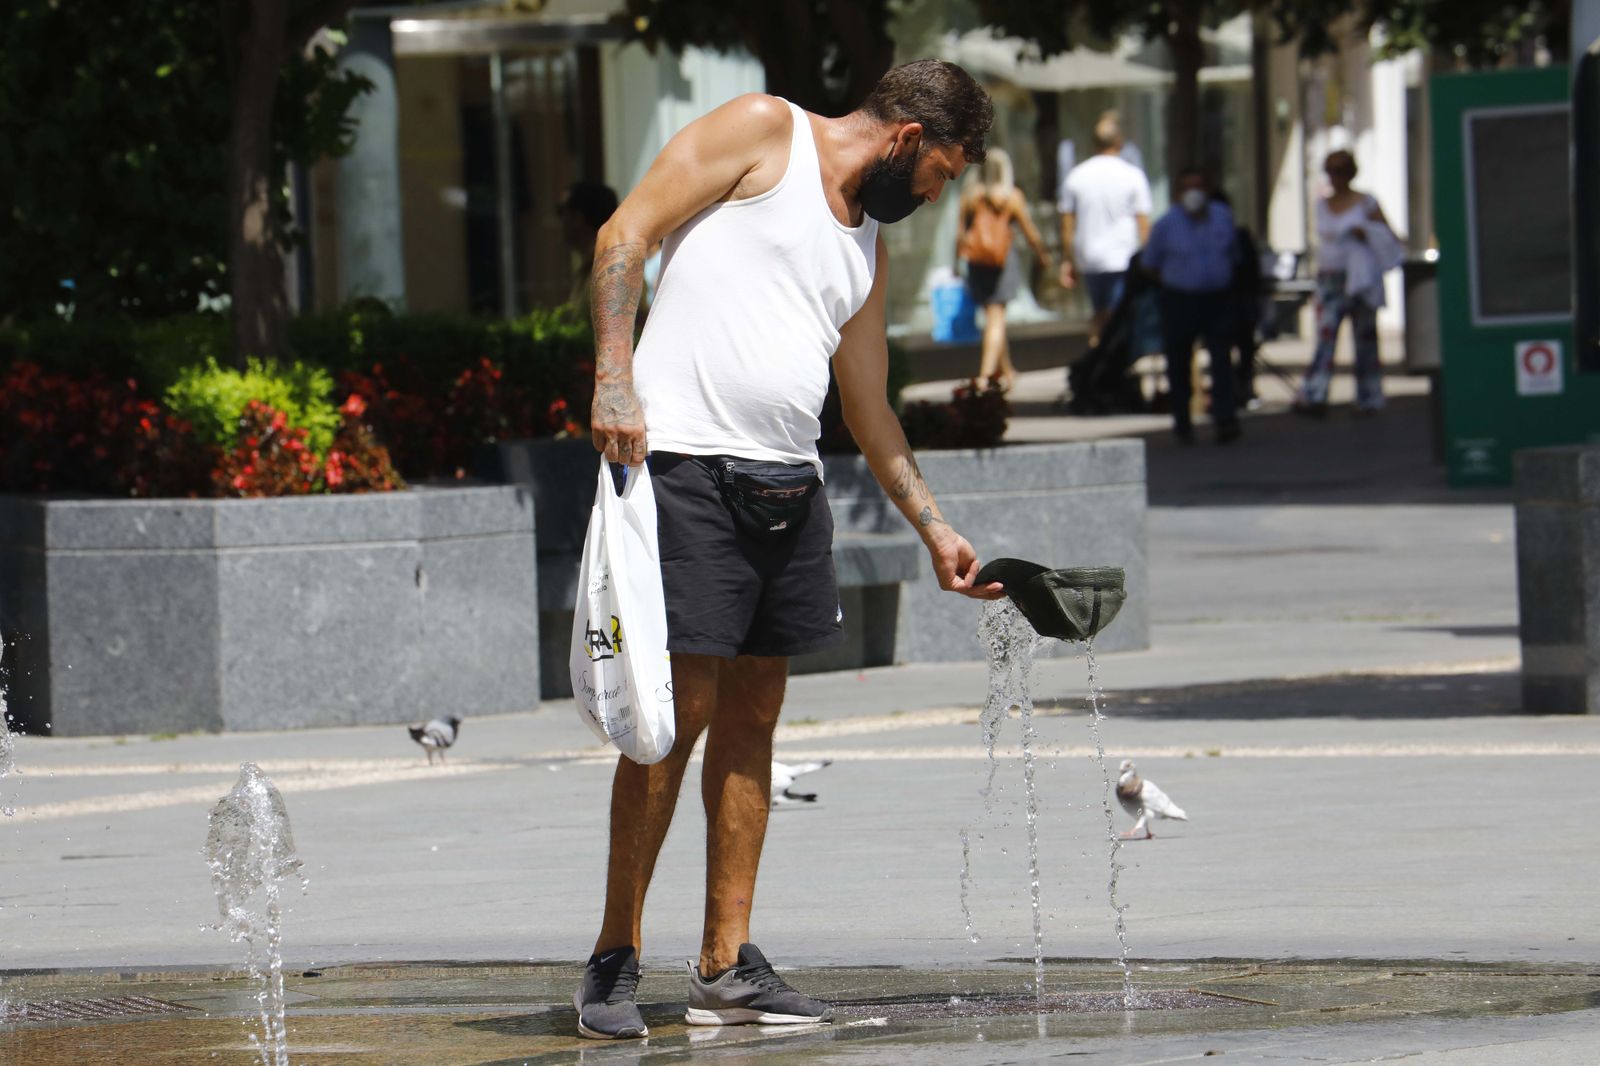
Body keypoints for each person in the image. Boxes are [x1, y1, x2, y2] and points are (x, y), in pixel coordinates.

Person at [578, 60, 1004, 1041]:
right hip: (682, 462)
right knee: (672, 715)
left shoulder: (866, 248)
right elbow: (622, 232)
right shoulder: (764, 130)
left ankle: (725, 959)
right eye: (940, 172)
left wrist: (935, 529)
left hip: (787, 485)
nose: (937, 195)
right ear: (903, 138)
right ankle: (612, 957)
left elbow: (866, 406)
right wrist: (613, 379)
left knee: (755, 715)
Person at [1294, 149, 1402, 417]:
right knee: (1325, 337)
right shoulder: (1321, 204)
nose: (1335, 177)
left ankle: (1369, 396)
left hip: (1359, 278)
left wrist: (1364, 232)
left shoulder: (1366, 202)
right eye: (1331, 171)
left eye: (1341, 171)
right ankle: (1315, 393)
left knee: (1365, 338)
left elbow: (1389, 236)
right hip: (1330, 277)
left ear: (1351, 173)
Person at [1141, 167, 1241, 444]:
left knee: (1221, 359)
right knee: (1179, 361)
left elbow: (1234, 255)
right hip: (1180, 299)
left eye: (1199, 186)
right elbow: (1150, 264)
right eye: (1188, 187)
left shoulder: (1222, 216)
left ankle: (1225, 419)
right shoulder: (1165, 225)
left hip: (1217, 298)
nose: (1194, 194)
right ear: (1178, 193)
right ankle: (1182, 422)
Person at [957, 147, 1051, 391]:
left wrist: (955, 263)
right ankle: (986, 376)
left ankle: (1006, 370)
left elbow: (960, 233)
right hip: (1002, 261)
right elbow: (1030, 231)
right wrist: (1042, 253)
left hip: (977, 260)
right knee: (997, 318)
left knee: (993, 317)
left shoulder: (970, 195)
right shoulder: (1012, 197)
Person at [1058, 113, 1153, 343]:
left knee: (1100, 312)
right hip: (1124, 257)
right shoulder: (1133, 176)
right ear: (1119, 142)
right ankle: (1111, 361)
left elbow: (1068, 225)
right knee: (1118, 313)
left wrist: (1068, 259)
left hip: (1090, 258)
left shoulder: (1077, 176)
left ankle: (1099, 354)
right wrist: (1150, 261)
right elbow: (1143, 224)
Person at [559, 179, 620, 309]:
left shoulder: (613, 268)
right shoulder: (588, 266)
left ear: (578, 217)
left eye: (561, 211)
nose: (560, 221)